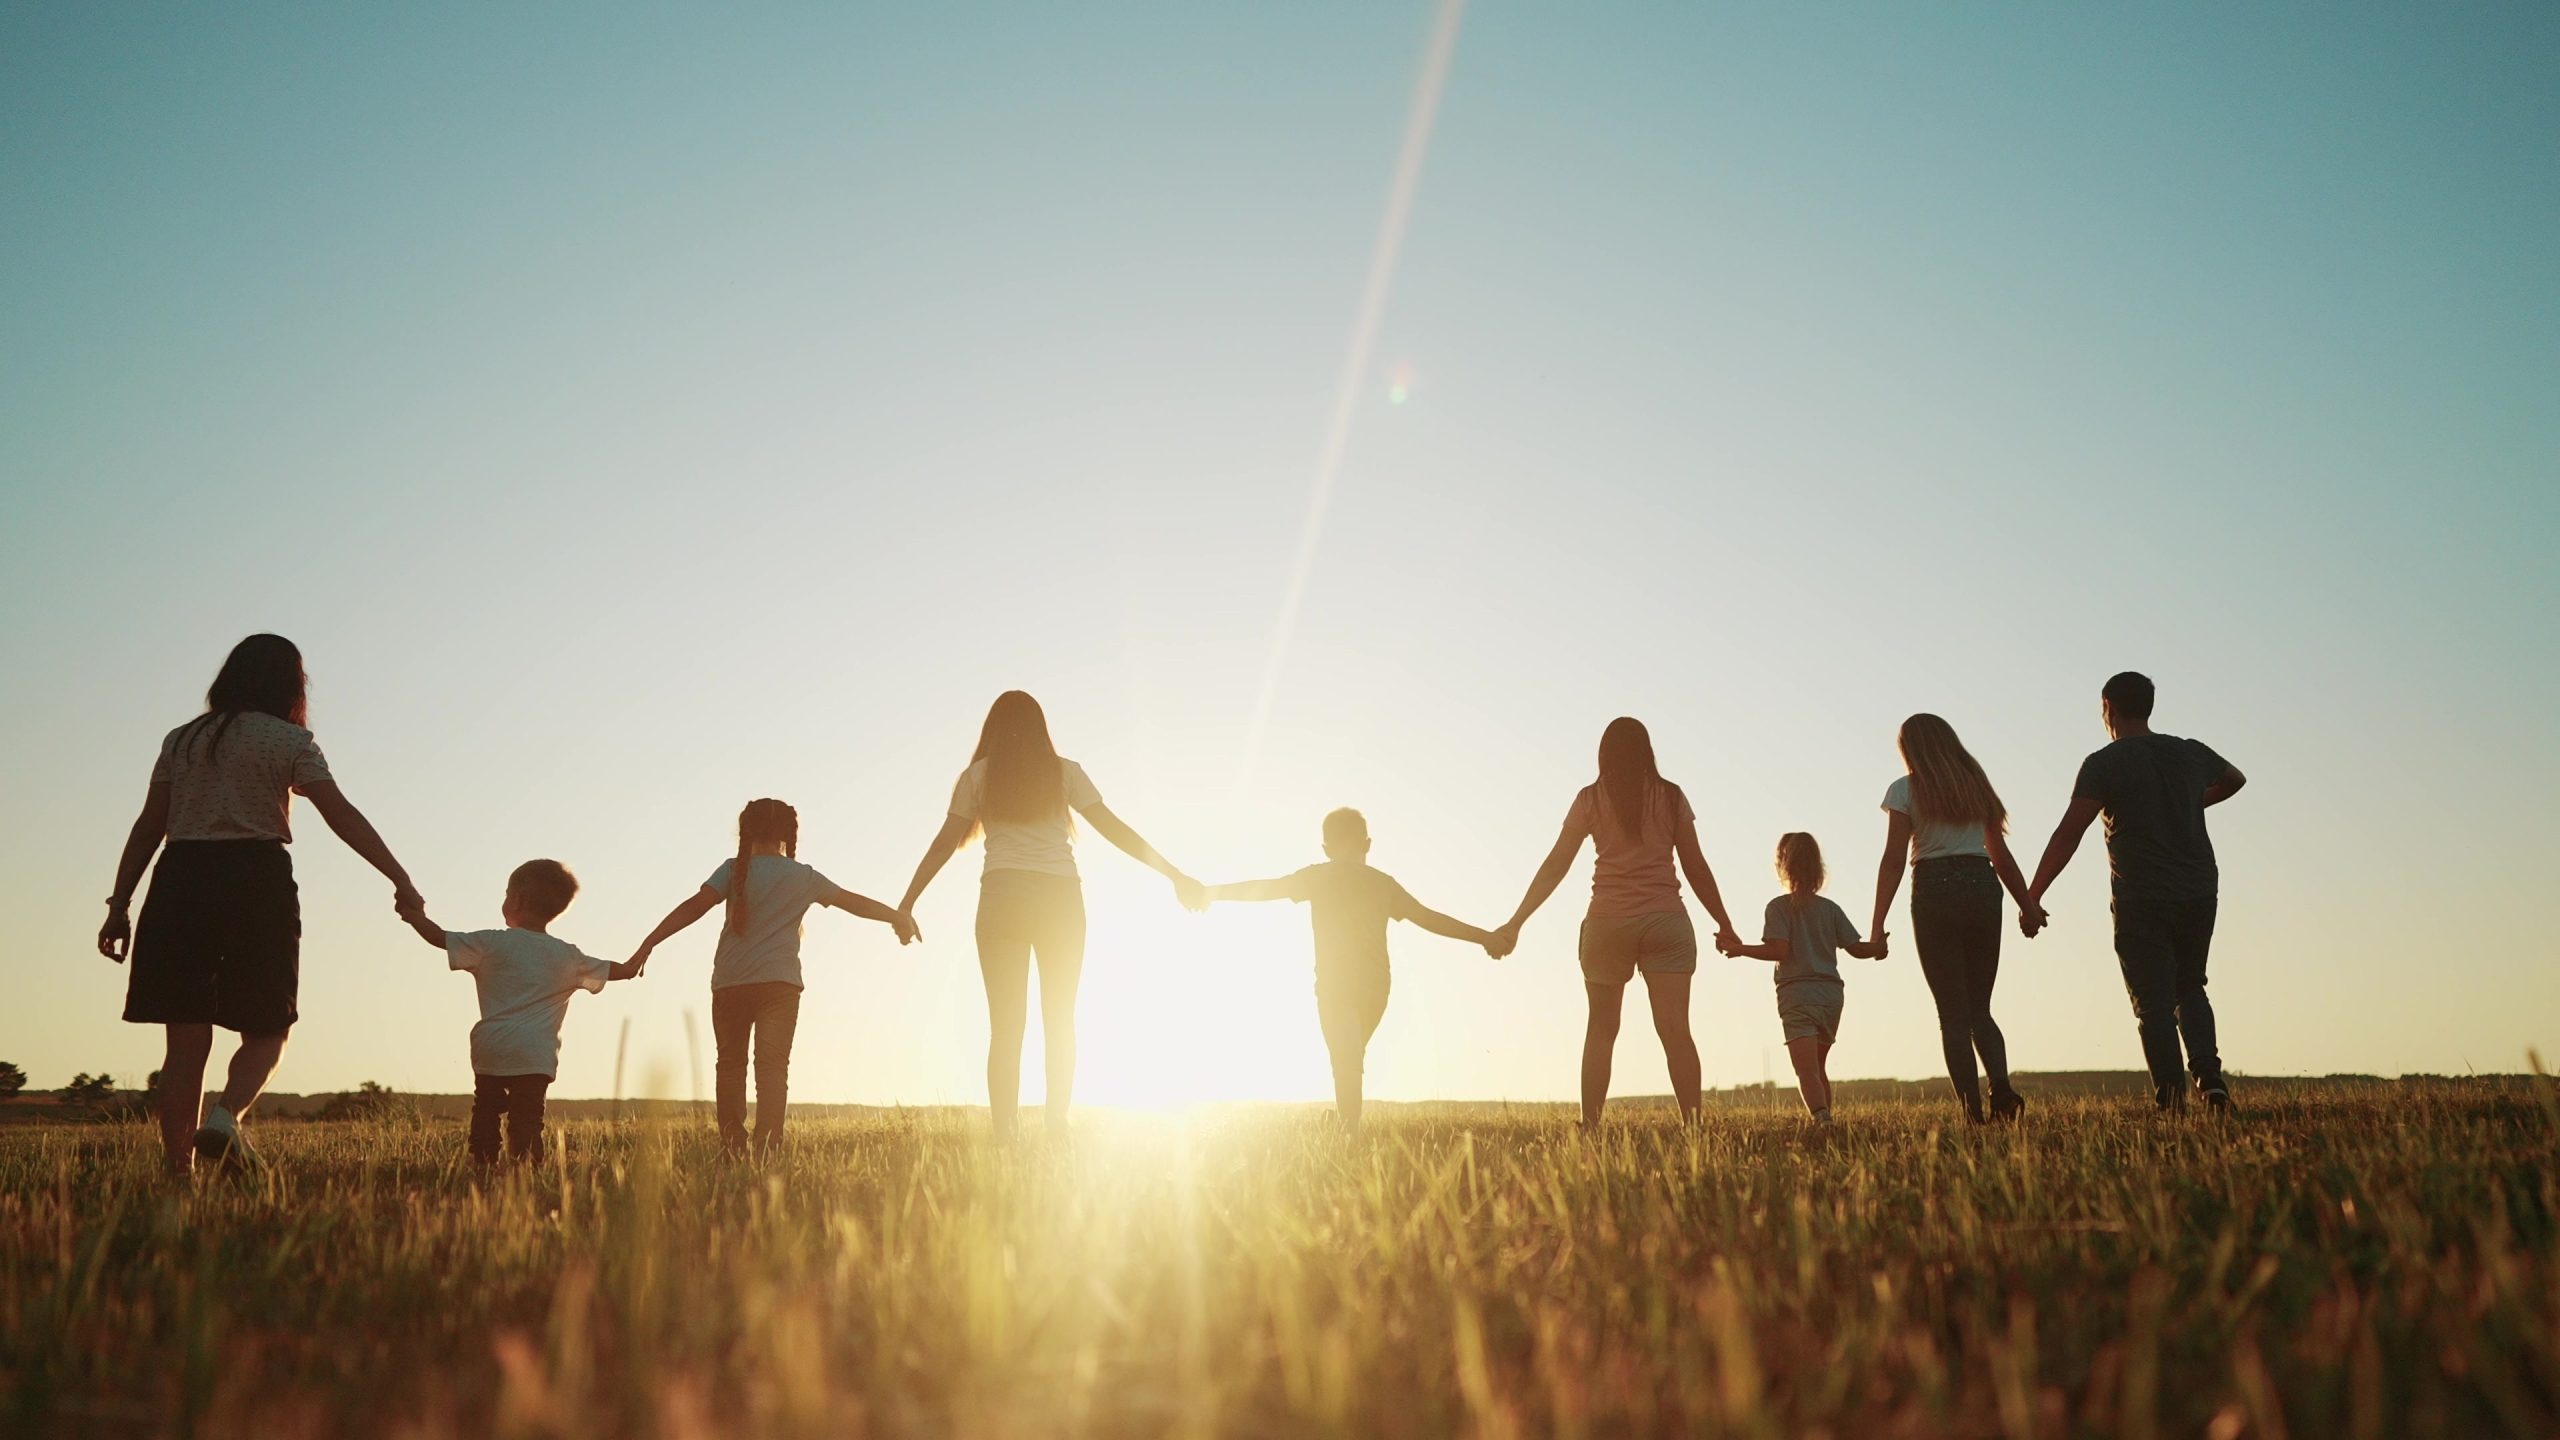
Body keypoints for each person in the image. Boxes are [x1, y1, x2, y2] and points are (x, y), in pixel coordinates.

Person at [96, 634, 422, 1178]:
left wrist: (119, 903)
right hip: (255, 879)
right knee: (270, 1025)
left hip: (180, 881)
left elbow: (150, 824)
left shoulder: (182, 740)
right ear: (291, 685)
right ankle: (225, 1118)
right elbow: (341, 815)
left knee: (184, 1043)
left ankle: (180, 1180)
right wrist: (400, 878)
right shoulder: (289, 740)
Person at [896, 691, 1201, 1139]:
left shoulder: (978, 776)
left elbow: (945, 843)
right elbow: (1115, 829)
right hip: (1060, 899)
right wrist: (1173, 873)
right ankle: (1057, 1122)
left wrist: (907, 903)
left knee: (1006, 1027)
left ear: (992, 729)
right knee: (1060, 1018)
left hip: (1002, 898)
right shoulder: (1065, 773)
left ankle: (1006, 1132)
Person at [1491, 717, 1740, 1127]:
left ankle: (1591, 1125)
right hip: (1666, 921)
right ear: (1647, 751)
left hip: (1608, 924)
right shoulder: (1671, 796)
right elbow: (1694, 865)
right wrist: (1724, 922)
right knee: (1676, 1032)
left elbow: (1557, 864)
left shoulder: (1590, 799)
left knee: (1601, 1032)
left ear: (1603, 753)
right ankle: (1693, 1128)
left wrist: (1517, 921)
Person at [628, 799, 914, 1155]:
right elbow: (853, 902)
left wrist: (649, 942)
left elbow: (693, 907)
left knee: (730, 1065)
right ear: (788, 835)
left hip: (731, 983)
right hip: (780, 986)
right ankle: (767, 1150)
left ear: (745, 831)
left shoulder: (733, 870)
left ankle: (733, 1146)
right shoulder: (804, 877)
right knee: (773, 1069)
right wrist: (897, 917)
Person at [2024, 672, 2247, 1112]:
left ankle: (2171, 1098)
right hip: (2199, 888)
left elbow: (2069, 833)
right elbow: (2236, 778)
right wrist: (2188, 801)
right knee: (2191, 986)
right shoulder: (2189, 752)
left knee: (2152, 1003)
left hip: (2140, 895)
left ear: (2108, 707)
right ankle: (2210, 1079)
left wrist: (2033, 895)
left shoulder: (2104, 763)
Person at [1202, 808, 1502, 1131]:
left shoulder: (1318, 876)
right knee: (1349, 1059)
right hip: (1376, 989)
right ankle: (1342, 1125)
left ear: (1326, 849)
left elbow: (1266, 888)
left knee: (1346, 1059)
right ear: (1368, 844)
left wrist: (1212, 892)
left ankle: (1348, 1133)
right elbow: (1428, 918)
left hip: (1336, 986)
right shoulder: (1383, 884)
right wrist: (1484, 937)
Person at [399, 859, 640, 1165]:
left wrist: (413, 916)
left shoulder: (491, 942)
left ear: (516, 900)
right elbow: (615, 970)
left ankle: (484, 1165)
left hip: (493, 1046)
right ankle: (526, 1170)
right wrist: (634, 964)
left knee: (485, 1109)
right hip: (534, 1053)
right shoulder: (568, 956)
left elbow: (438, 937)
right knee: (526, 1118)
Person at [1866, 714, 2041, 1124]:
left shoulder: (1904, 790)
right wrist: (2027, 907)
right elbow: (2001, 858)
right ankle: (2001, 1090)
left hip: (1933, 889)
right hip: (1982, 886)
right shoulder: (1975, 787)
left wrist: (1877, 927)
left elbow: (1893, 860)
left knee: (1952, 1014)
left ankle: (1972, 1115)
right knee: (1980, 1006)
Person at [1718, 833, 1886, 1126]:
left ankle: (1822, 1121)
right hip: (1831, 995)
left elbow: (1779, 950)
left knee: (1805, 1070)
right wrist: (1878, 947)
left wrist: (1739, 949)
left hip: (1798, 993)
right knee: (1818, 1067)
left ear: (1783, 866)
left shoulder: (1779, 907)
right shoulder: (1830, 909)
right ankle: (1826, 1122)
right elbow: (1857, 949)